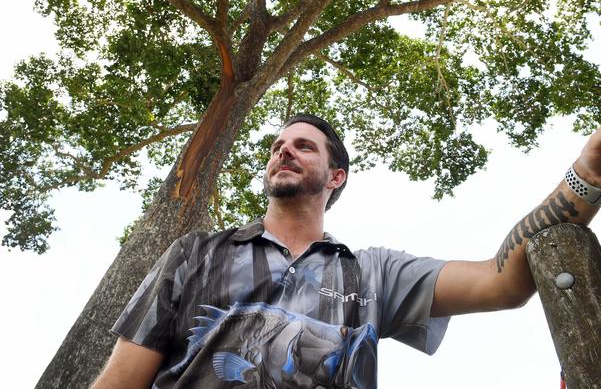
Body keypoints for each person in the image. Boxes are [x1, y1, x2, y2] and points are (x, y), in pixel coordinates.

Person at [91, 114, 601, 388]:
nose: (283, 150)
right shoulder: (195, 253)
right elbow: (122, 380)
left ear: (335, 177)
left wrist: (589, 173)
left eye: (303, 145)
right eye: (277, 146)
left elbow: (502, 281)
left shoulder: (373, 273)